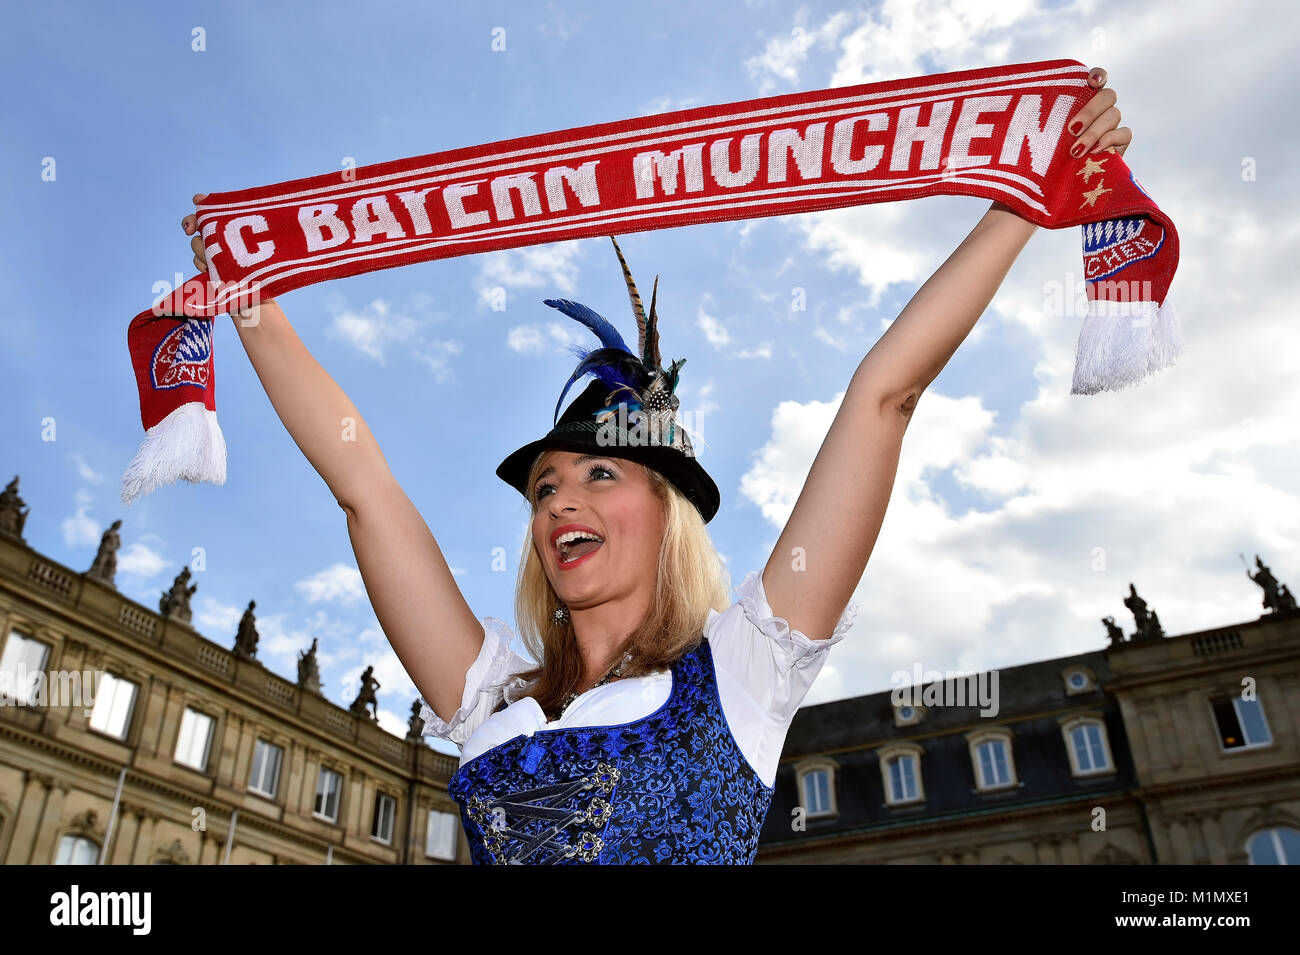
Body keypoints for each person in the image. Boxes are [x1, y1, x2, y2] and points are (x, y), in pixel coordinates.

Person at [182, 67, 1129, 864]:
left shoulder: (744, 672)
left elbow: (883, 395)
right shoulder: (490, 698)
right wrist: (248, 299)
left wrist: (1027, 201)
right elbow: (365, 490)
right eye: (546, 486)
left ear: (667, 513)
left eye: (600, 476)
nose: (560, 502)